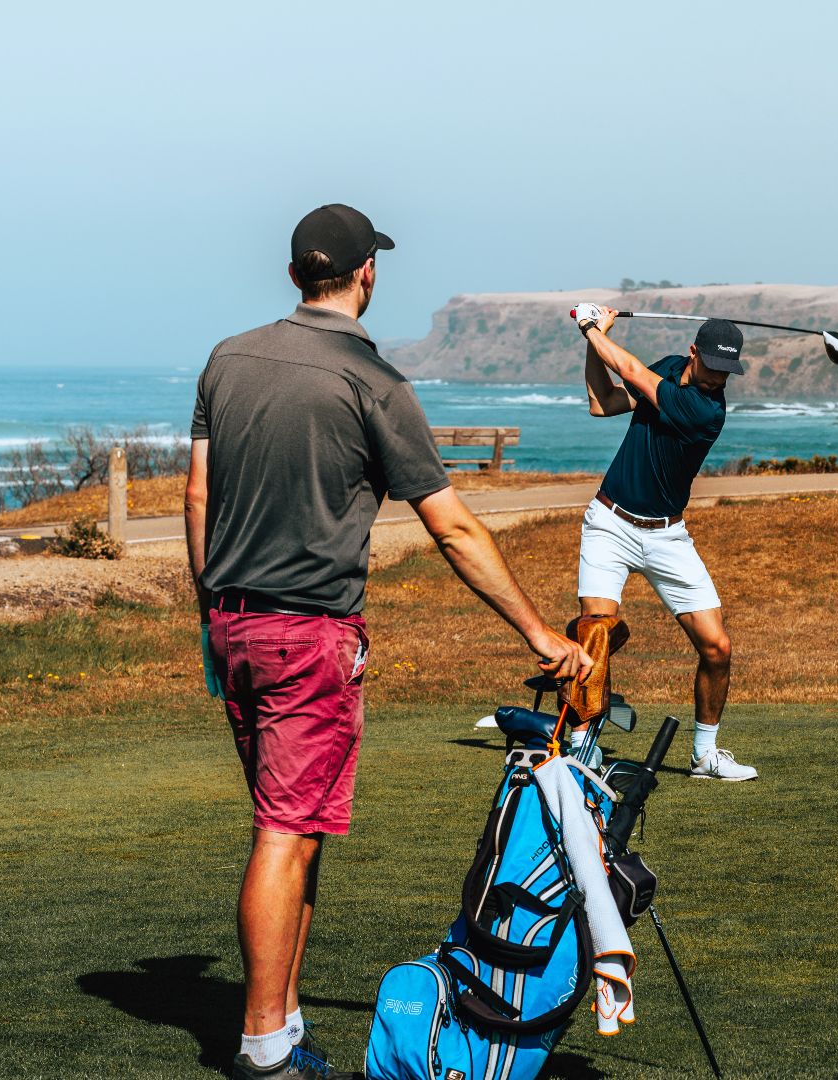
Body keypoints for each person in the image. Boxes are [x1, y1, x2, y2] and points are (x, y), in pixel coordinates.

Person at [187, 204, 592, 1080]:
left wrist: (210, 610)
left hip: (234, 624)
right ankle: (262, 1048)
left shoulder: (228, 359)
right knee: (285, 833)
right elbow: (452, 530)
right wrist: (537, 633)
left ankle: (284, 1023)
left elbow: (196, 496)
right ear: (367, 273)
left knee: (296, 830)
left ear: (298, 274)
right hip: (309, 634)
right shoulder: (372, 383)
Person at [570, 303, 756, 782]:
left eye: (727, 372)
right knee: (596, 634)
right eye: (713, 367)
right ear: (693, 352)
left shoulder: (705, 411)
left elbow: (629, 367)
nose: (719, 379)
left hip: (668, 535)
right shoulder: (671, 369)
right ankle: (581, 746)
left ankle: (705, 756)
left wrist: (592, 327)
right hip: (609, 525)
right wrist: (591, 344)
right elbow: (603, 402)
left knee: (717, 648)